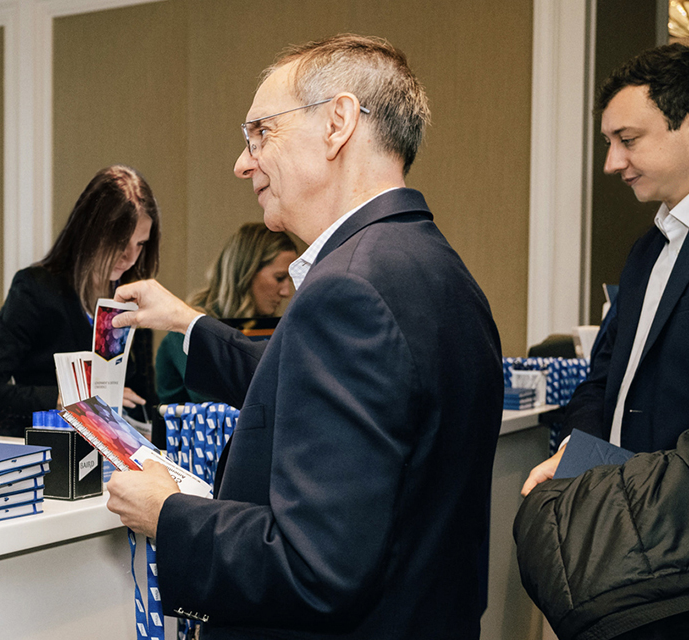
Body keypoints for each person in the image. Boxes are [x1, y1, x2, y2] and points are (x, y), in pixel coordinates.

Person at [104, 34, 503, 639]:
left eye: (261, 132)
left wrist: (171, 515)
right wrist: (189, 322)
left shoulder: (348, 290)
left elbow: (316, 567)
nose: (243, 162)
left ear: (338, 123)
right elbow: (311, 385)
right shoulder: (437, 268)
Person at [522, 43, 689, 495]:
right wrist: (578, 456)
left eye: (627, 140)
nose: (612, 163)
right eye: (609, 143)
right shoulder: (646, 250)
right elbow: (602, 380)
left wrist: (642, 493)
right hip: (619, 514)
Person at [0, 165, 160, 437]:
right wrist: (65, 398)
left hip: (109, 454)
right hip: (36, 454)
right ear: (89, 231)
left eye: (140, 244)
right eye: (121, 242)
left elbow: (144, 396)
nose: (130, 257)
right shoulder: (36, 289)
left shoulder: (132, 295)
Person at [155, 222, 296, 405]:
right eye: (279, 278)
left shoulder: (273, 327)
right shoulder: (188, 325)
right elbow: (216, 397)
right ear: (246, 272)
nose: (287, 292)